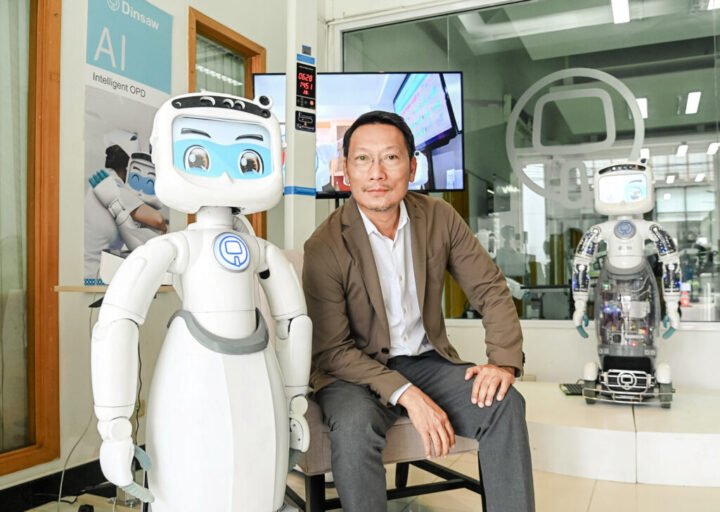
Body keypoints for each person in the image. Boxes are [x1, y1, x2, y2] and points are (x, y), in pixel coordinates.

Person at [302, 110, 535, 512]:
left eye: (390, 158)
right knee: (355, 426)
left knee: (504, 403)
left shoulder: (438, 217)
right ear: (345, 170)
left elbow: (489, 288)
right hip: (351, 374)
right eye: (363, 159)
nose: (376, 173)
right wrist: (407, 394)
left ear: (412, 167)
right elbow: (333, 351)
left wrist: (503, 362)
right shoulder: (324, 245)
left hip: (427, 361)